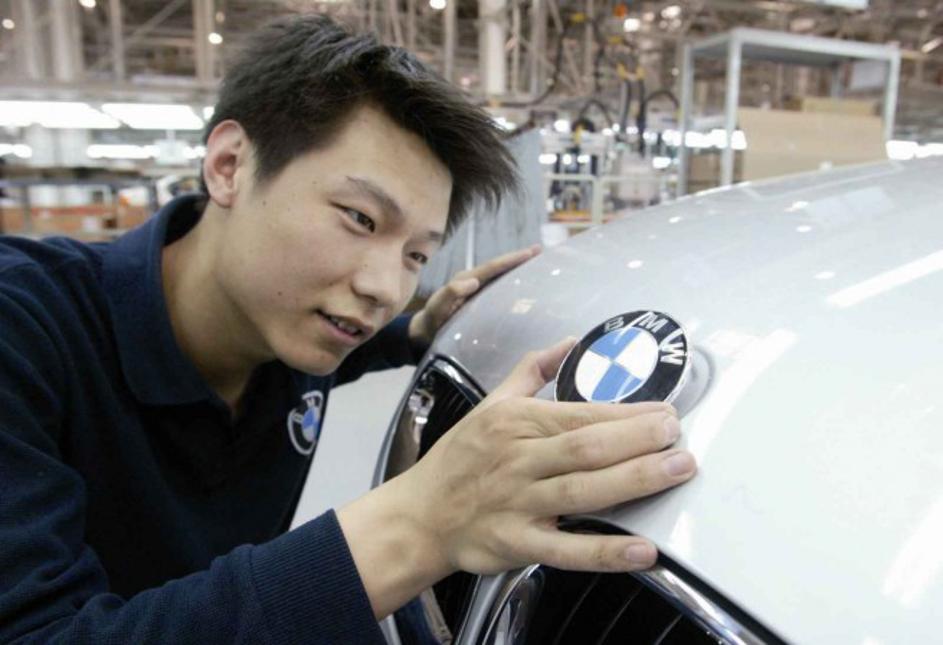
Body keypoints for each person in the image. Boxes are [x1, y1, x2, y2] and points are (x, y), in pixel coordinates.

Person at [0, 14, 697, 644]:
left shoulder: (287, 325)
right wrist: (418, 523)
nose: (384, 288)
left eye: (416, 255)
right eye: (360, 218)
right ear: (229, 166)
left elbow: (364, 344)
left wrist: (415, 331)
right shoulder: (23, 329)